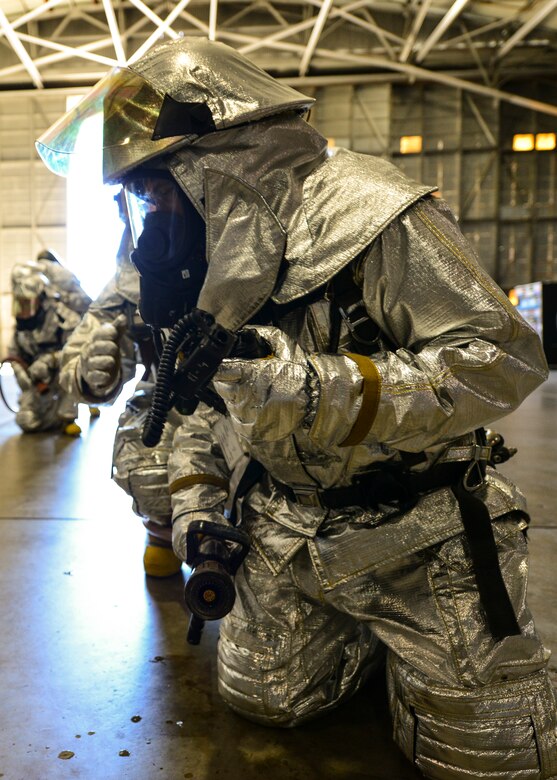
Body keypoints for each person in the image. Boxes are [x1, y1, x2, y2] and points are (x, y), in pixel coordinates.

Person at [36, 38, 557, 778]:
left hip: (419, 529)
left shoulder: (373, 213)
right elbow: (188, 412)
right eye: (139, 195)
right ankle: (364, 646)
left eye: (155, 190)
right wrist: (196, 508)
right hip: (287, 525)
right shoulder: (191, 249)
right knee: (266, 699)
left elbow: (503, 358)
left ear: (217, 167)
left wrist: (312, 390)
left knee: (486, 757)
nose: (150, 215)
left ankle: (422, 655)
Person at [59, 195, 184, 577]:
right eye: (144, 197)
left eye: (162, 193)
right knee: (145, 455)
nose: (154, 208)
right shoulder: (130, 278)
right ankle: (164, 531)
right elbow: (76, 358)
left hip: (251, 404)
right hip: (171, 398)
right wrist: (94, 372)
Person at [7, 259, 92, 434]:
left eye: (28, 304)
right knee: (26, 421)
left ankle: (69, 416)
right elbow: (13, 353)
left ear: (41, 300)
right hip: (39, 379)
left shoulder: (64, 318)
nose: (23, 310)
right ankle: (52, 414)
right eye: (19, 304)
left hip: (62, 372)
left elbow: (78, 350)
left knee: (71, 372)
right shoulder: (21, 328)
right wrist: (20, 372)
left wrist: (51, 360)